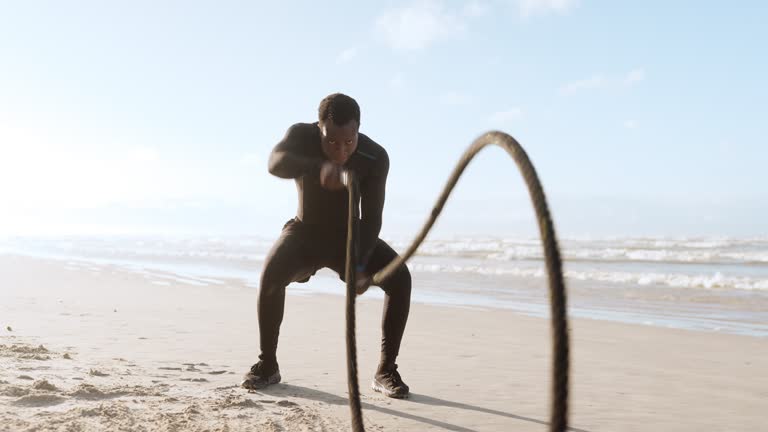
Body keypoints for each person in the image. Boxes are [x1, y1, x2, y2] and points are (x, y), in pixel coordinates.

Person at [241, 93, 412, 399]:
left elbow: (372, 219)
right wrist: (316, 166)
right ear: (319, 127)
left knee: (401, 278)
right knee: (270, 276)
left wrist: (360, 265)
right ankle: (268, 365)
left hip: (350, 237)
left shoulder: (375, 157)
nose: (341, 150)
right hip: (304, 234)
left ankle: (386, 370)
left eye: (349, 141)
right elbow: (274, 164)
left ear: (358, 129)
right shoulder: (301, 136)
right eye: (331, 141)